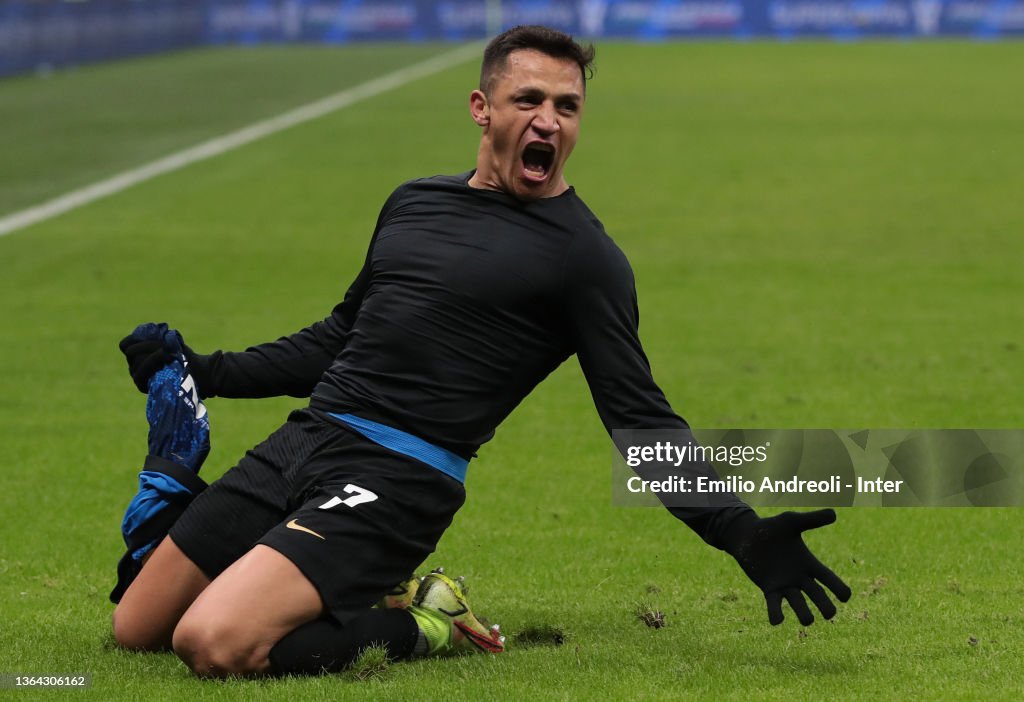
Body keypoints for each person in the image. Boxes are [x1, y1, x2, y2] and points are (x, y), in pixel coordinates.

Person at [110, 25, 851, 679]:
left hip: (400, 477)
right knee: (138, 630)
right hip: (308, 438)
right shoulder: (413, 202)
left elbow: (639, 420)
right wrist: (205, 372)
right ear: (482, 108)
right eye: (530, 99)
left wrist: (743, 533)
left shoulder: (584, 260)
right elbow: (340, 338)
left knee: (213, 642)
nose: (548, 121)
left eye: (567, 107)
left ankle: (425, 620)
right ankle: (358, 584)